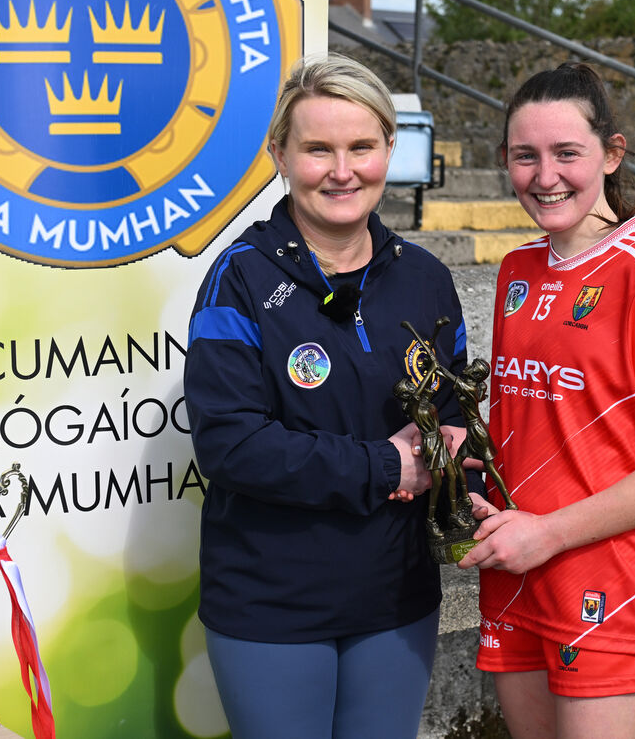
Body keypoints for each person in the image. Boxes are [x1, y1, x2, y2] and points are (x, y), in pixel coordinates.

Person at [184, 52, 470, 739]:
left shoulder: (425, 278)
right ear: (279, 153)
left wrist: (457, 455)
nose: (343, 171)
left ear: (388, 150)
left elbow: (455, 410)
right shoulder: (240, 280)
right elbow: (232, 446)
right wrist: (386, 467)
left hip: (397, 599)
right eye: (318, 149)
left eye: (361, 147)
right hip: (275, 604)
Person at [461, 62, 635, 739]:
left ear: (611, 155)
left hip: (612, 584)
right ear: (506, 163)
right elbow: (541, 421)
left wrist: (547, 533)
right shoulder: (518, 270)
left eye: (567, 153)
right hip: (517, 571)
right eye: (526, 156)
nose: (545, 175)